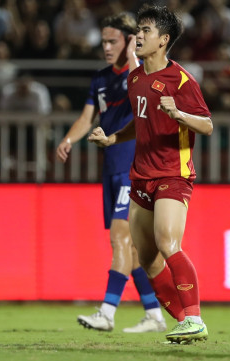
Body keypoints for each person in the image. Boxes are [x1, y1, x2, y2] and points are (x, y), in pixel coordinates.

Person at [88, 5, 213, 344]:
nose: (138, 36)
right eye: (138, 30)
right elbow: (139, 121)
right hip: (140, 177)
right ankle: (184, 322)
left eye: (145, 31)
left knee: (168, 242)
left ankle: (196, 317)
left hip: (173, 175)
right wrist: (113, 137)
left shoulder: (181, 80)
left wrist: (180, 113)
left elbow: (207, 125)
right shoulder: (136, 77)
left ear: (164, 40)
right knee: (145, 258)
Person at [56, 12, 166, 333]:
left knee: (120, 238)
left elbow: (141, 90)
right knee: (131, 253)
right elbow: (86, 118)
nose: (105, 46)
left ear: (129, 40)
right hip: (111, 169)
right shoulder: (100, 79)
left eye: (112, 40)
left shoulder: (138, 73)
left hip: (133, 168)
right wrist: (68, 140)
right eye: (103, 41)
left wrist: (133, 53)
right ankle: (155, 314)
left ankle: (106, 312)